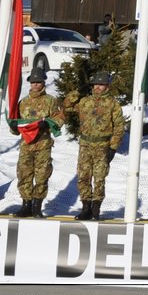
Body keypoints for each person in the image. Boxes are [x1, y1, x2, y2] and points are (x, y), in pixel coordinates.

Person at [64, 72, 126, 221]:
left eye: (101, 84)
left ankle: (96, 208)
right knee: (83, 177)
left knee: (99, 178)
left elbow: (119, 126)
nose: (98, 87)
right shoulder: (85, 101)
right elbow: (67, 105)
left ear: (107, 86)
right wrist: (77, 91)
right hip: (85, 145)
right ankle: (85, 207)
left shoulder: (113, 104)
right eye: (95, 84)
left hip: (102, 145)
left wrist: (113, 147)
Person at [9, 67, 65, 217]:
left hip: (43, 144)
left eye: (38, 82)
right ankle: (26, 205)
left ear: (43, 82)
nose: (35, 85)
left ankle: (37, 207)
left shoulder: (51, 101)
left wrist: (48, 124)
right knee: (24, 174)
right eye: (33, 82)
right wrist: (13, 126)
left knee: (42, 176)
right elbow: (16, 125)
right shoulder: (23, 102)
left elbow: (60, 118)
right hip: (26, 145)